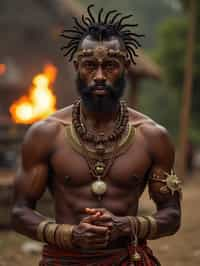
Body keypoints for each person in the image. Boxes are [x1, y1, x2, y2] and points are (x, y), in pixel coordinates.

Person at [12, 5, 182, 266]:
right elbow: (19, 212)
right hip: (64, 260)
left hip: (125, 258)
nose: (100, 76)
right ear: (77, 66)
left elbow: (171, 216)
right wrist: (70, 234)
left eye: (110, 66)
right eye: (90, 65)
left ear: (126, 67)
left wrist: (126, 226)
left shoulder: (152, 137)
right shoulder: (45, 134)